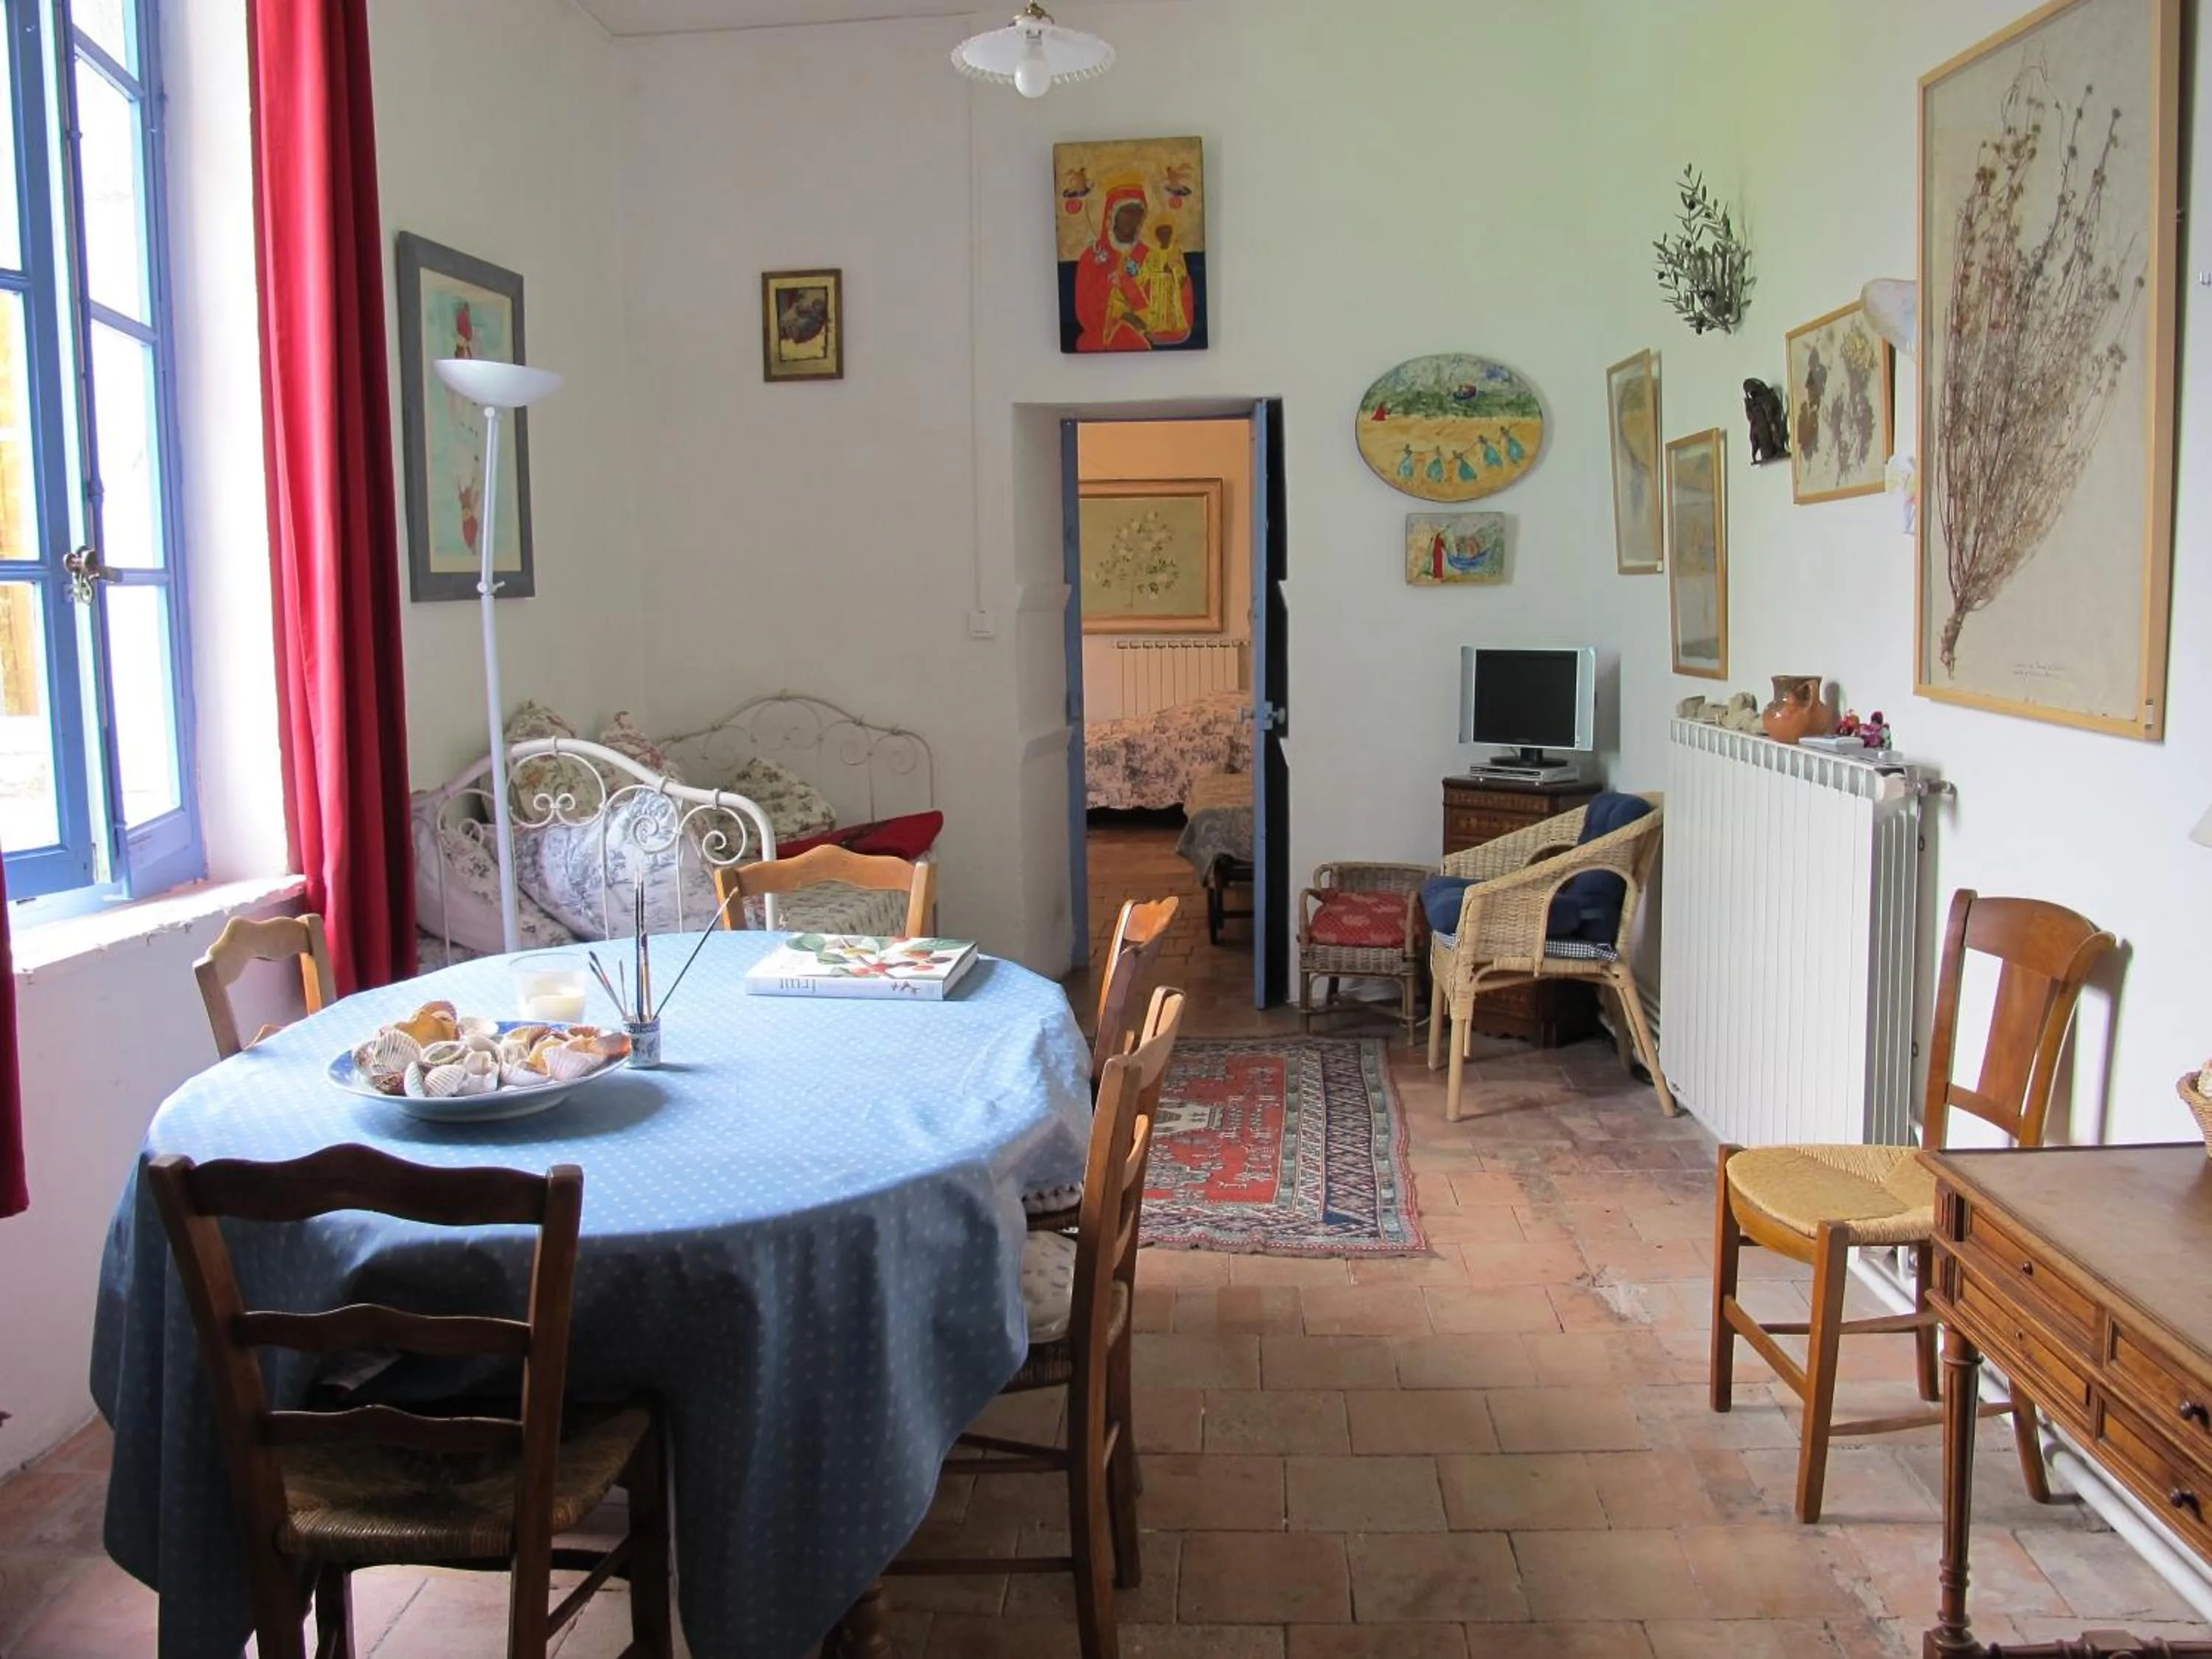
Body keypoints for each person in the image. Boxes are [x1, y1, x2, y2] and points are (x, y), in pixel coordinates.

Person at [1072, 183, 1157, 352]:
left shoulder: (1148, 256)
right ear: (1112, 215)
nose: (1132, 219)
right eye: (1126, 212)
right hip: (1097, 341)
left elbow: (1155, 305)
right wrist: (1119, 315)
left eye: (1137, 213)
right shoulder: (1091, 257)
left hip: (1140, 338)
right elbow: (1084, 308)